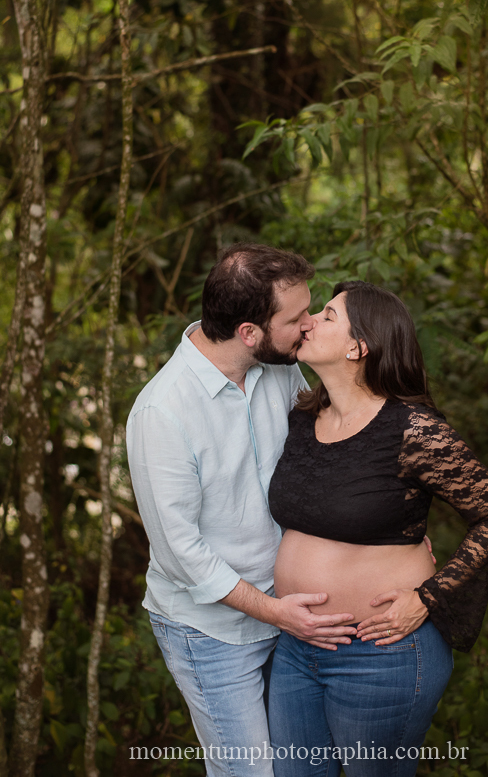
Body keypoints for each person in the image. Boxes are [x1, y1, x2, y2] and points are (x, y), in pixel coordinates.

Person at [126, 244, 362, 777]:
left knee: (307, 766)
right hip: (211, 631)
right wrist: (276, 612)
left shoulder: (276, 368)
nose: (308, 325)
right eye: (295, 318)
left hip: (290, 608)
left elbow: (320, 452)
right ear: (249, 332)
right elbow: (180, 552)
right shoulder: (161, 412)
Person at [267, 280, 488, 777]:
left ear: (359, 347)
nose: (310, 321)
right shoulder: (301, 418)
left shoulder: (413, 429)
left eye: (328, 315)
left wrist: (429, 596)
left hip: (381, 657)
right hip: (296, 649)